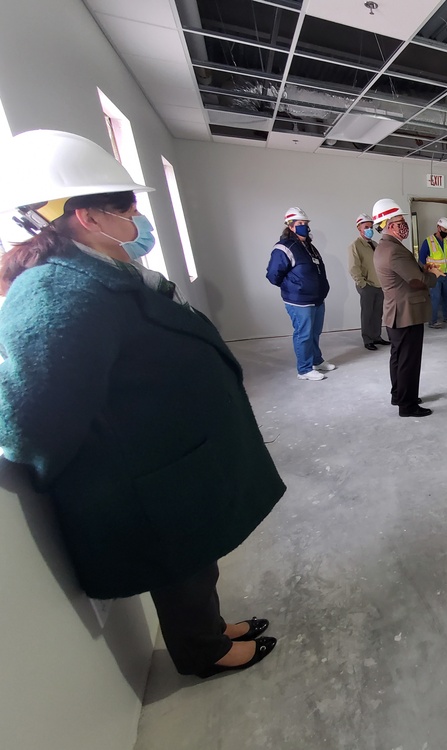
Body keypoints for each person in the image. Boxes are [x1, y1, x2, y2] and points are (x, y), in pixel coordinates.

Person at [0, 130, 284, 679]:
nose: (136, 216)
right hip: (146, 479)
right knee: (180, 568)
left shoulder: (106, 270)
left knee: (197, 565)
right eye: (125, 205)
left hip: (171, 464)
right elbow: (31, 418)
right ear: (86, 216)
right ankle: (204, 652)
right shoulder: (55, 291)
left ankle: (212, 627)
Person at [372, 198, 445, 418]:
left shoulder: (387, 247)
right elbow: (415, 281)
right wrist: (433, 274)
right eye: (400, 220)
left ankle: (400, 395)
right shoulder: (394, 250)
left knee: (399, 357)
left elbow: (406, 273)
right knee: (408, 361)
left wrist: (423, 267)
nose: (404, 224)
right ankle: (408, 405)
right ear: (389, 225)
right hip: (406, 313)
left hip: (397, 312)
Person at [266, 207, 336, 380]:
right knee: (303, 334)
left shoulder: (309, 247)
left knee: (314, 332)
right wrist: (293, 287)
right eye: (300, 223)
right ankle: (304, 369)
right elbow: (273, 274)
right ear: (290, 226)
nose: (304, 226)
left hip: (317, 298)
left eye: (305, 223)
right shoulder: (284, 247)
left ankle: (316, 361)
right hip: (299, 300)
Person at [349, 212, 390, 351]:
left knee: (378, 313)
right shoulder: (355, 246)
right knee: (367, 313)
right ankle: (368, 339)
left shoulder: (374, 244)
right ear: (359, 228)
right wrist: (362, 284)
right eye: (366, 227)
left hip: (379, 284)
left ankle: (377, 336)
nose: (370, 229)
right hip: (367, 285)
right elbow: (354, 267)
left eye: (371, 226)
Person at [418, 217, 447, 329]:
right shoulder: (429, 241)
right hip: (434, 275)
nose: (446, 232)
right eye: (444, 230)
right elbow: (422, 258)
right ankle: (432, 321)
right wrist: (427, 270)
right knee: (435, 297)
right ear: (438, 228)